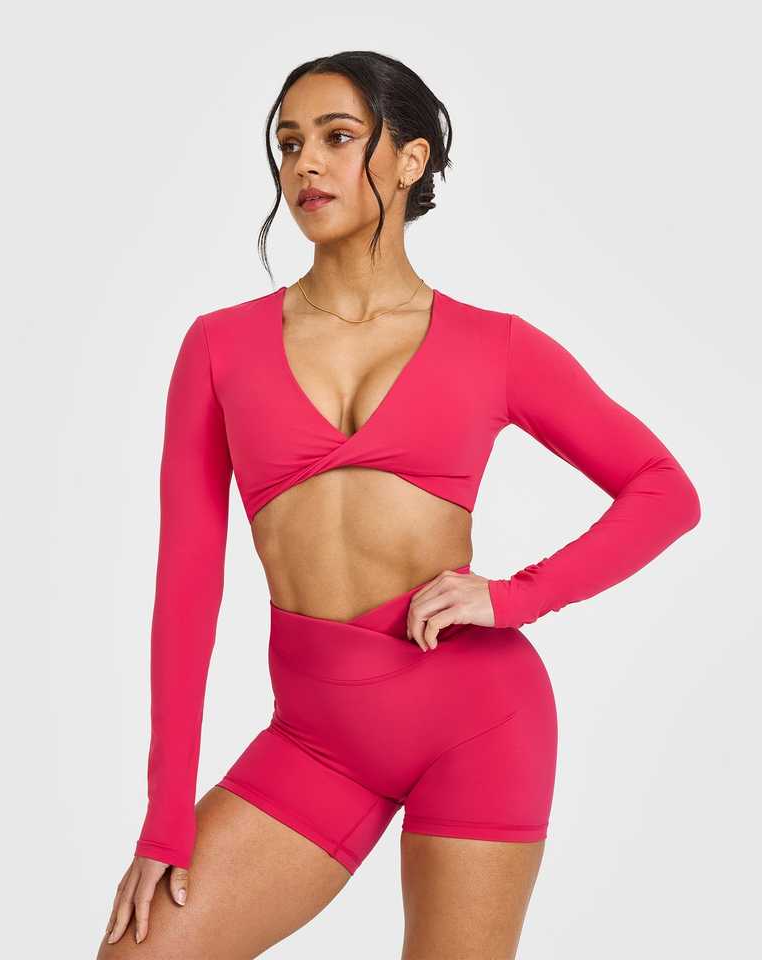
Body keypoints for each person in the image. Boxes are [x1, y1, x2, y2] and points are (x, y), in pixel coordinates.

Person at [98, 51, 700, 960]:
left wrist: (518, 596)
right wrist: (165, 815)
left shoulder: (495, 347)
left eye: (338, 137)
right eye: (289, 142)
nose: (306, 163)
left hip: (480, 724)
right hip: (314, 742)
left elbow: (663, 490)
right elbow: (187, 585)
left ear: (410, 159)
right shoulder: (219, 348)